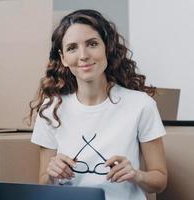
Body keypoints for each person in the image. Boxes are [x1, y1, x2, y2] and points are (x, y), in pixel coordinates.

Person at [28, 9, 167, 200]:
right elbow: (43, 182)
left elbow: (160, 181)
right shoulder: (50, 109)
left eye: (92, 44)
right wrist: (51, 174)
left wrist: (136, 174)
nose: (83, 55)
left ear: (106, 47)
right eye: (72, 48)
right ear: (63, 58)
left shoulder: (141, 105)